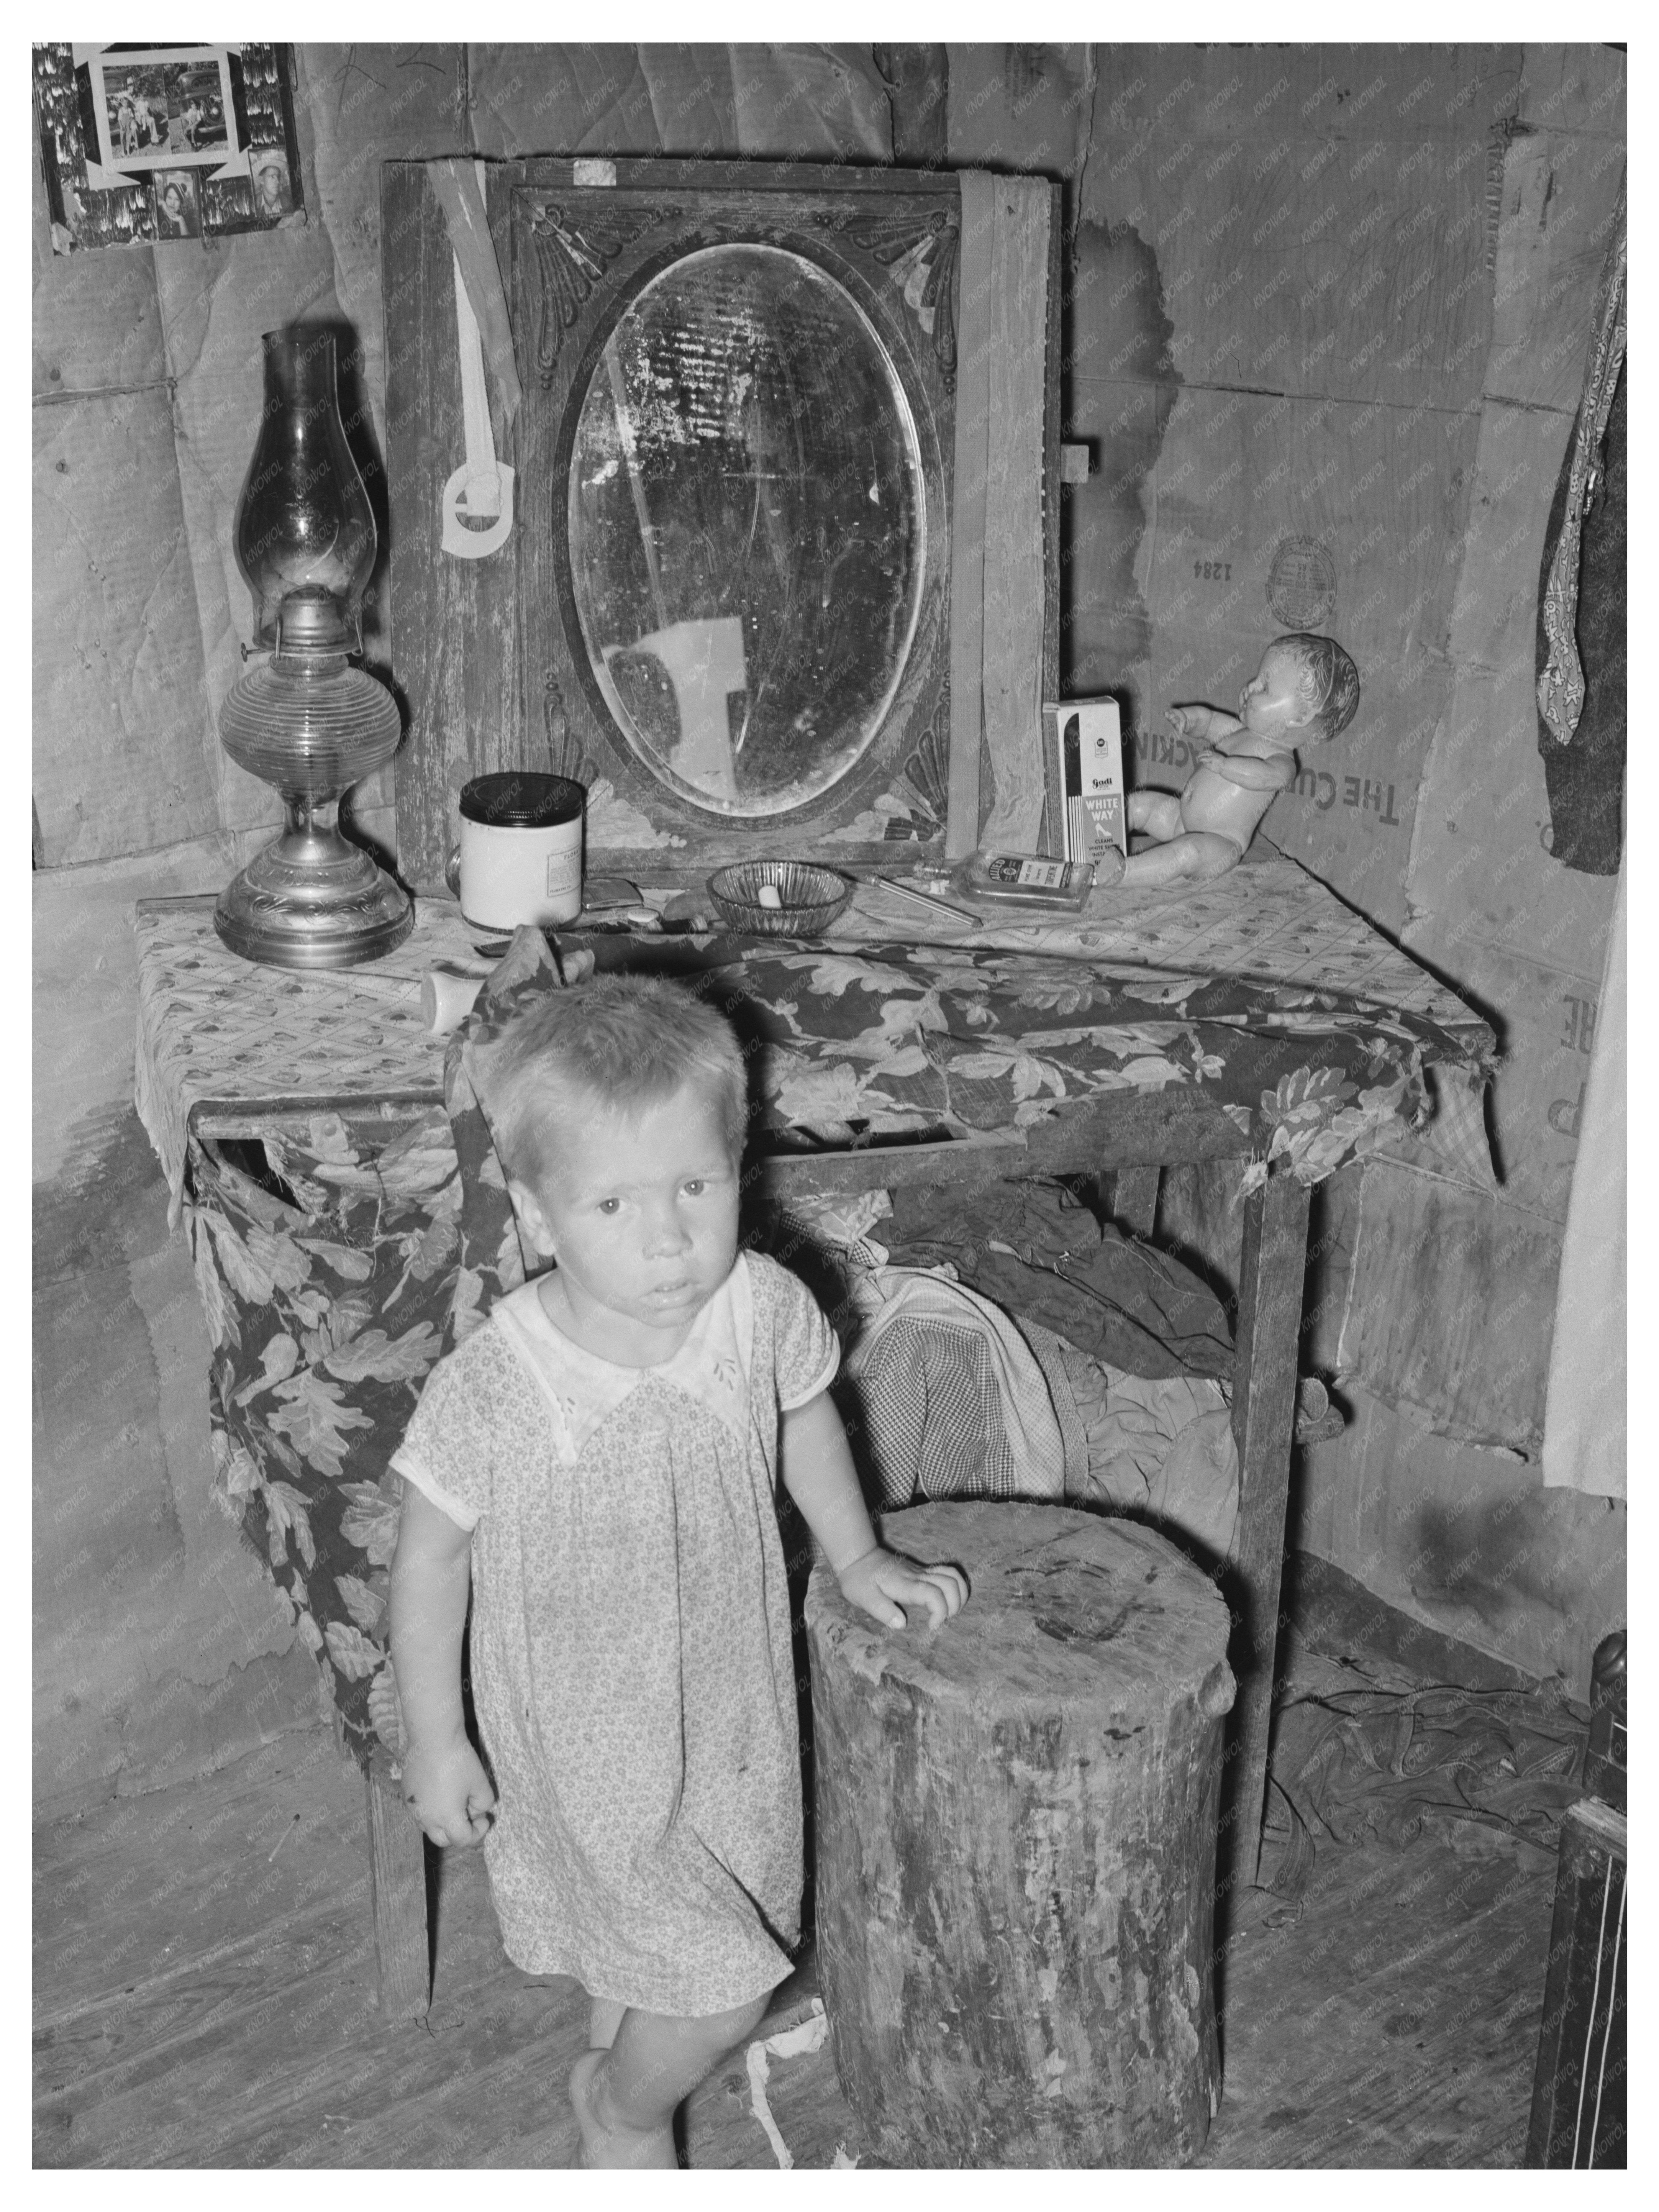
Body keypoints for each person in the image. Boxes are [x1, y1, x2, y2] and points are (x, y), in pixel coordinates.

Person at [388, 974, 969, 2169]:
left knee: (665, 1954)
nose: (668, 1239)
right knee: (718, 1992)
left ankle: (619, 2109)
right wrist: (436, 1737)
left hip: (727, 1707)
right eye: (612, 1203)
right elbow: (430, 1558)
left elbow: (805, 1414)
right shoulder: (499, 1385)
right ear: (540, 1216)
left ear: (737, 1163)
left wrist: (856, 1551)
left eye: (695, 1187)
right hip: (586, 1739)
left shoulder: (759, 1305)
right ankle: (623, 2109)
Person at [1103, 630, 1360, 889]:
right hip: (1179, 820)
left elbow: (1261, 776)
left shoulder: (1283, 763)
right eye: (1256, 678)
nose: (1250, 688)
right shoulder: (1239, 730)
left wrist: (1226, 766)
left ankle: (1122, 873)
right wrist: (1189, 719)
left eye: (1264, 687)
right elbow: (1210, 722)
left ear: (1299, 718)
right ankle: (1095, 841)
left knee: (1187, 853)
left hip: (1220, 844)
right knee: (1139, 804)